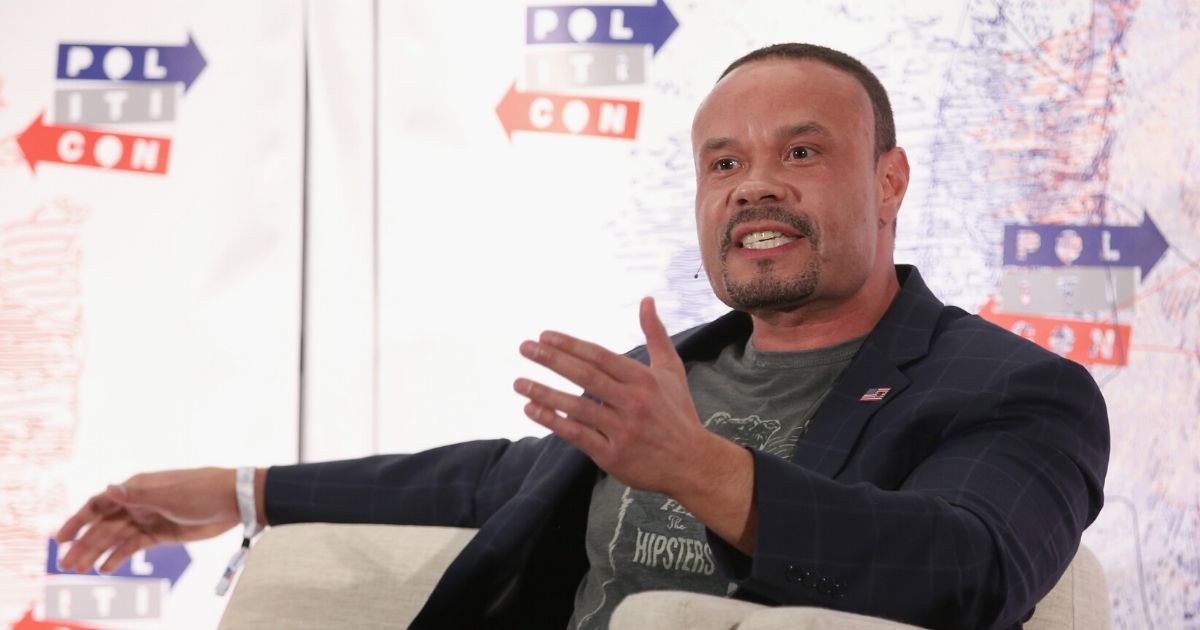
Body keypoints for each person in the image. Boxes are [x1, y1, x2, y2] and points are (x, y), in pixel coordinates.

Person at [54, 43, 1109, 629]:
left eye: (801, 150)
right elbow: (486, 481)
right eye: (724, 163)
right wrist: (239, 491)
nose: (757, 187)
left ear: (889, 181)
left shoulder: (1012, 392)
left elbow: (973, 570)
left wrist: (711, 476)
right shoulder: (688, 368)